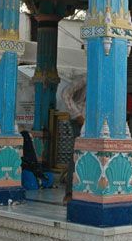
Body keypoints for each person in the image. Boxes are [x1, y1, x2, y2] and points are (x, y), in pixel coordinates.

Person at [61, 74, 86, 204]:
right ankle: (70, 193)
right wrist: (77, 115)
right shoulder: (86, 78)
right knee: (76, 156)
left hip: (94, 123)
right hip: (80, 121)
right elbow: (65, 93)